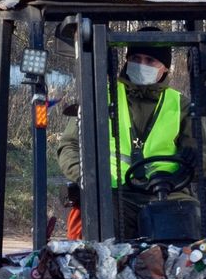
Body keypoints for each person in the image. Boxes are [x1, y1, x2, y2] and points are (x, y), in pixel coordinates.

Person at [56, 31, 196, 238]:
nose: (141, 64)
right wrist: (87, 176)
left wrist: (180, 174)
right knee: (95, 221)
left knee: (192, 223)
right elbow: (70, 146)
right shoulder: (100, 96)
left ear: (165, 68)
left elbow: (202, 153)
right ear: (127, 60)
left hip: (167, 192)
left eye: (150, 61)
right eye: (136, 59)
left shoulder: (180, 104)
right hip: (113, 192)